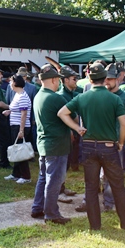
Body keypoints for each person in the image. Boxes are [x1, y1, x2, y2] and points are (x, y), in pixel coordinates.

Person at [59, 63, 125, 231]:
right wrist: (120, 142)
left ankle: (95, 226)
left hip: (88, 147)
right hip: (109, 147)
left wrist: (77, 128)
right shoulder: (115, 99)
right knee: (118, 186)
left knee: (90, 188)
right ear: (105, 79)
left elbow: (62, 113)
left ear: (89, 79)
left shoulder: (82, 97)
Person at [30, 64, 71, 224]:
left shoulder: (39, 95)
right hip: (57, 145)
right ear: (54, 79)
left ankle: (37, 207)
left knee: (43, 178)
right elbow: (70, 115)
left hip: (44, 143)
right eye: (58, 80)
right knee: (54, 181)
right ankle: (51, 213)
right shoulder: (55, 97)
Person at [56, 65, 80, 202]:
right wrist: (72, 129)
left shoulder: (71, 94)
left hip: (72, 134)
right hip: (65, 135)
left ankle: (62, 187)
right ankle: (58, 191)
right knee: (61, 164)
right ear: (65, 80)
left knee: (67, 163)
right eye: (74, 78)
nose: (76, 81)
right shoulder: (61, 96)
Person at [3, 74, 33, 184]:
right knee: (16, 149)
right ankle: (16, 173)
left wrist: (21, 130)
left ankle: (26, 176)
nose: (10, 84)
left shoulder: (23, 96)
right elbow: (17, 109)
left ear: (15, 83)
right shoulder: (17, 95)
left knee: (21, 150)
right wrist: (9, 111)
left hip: (21, 126)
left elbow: (24, 114)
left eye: (11, 82)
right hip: (15, 125)